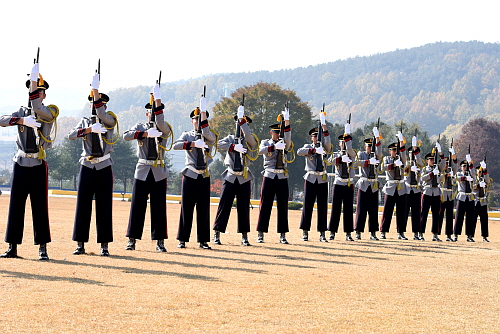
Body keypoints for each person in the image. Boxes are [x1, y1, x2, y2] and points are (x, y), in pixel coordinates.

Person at [0, 62, 57, 260]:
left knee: (40, 206)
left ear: (44, 95)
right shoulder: (22, 112)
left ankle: (42, 248)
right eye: (33, 91)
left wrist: (35, 82)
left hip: (38, 164)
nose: (35, 94)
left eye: (39, 91)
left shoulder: (48, 112)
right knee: (16, 205)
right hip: (21, 163)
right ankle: (12, 247)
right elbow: (2, 120)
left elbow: (40, 110)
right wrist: (21, 121)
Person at [69, 72, 117, 256]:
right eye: (94, 103)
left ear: (104, 106)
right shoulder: (84, 122)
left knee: (104, 206)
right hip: (87, 166)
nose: (95, 106)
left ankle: (104, 245)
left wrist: (96, 90)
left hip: (104, 166)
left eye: (99, 104)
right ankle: (80, 244)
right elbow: (71, 135)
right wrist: (89, 129)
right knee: (83, 206)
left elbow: (106, 118)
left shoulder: (109, 120)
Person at [123, 83, 171, 252]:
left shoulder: (163, 127)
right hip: (143, 169)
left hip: (158, 171)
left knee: (159, 207)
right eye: (150, 111)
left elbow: (160, 121)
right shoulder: (140, 126)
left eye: (156, 111)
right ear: (146, 113)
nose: (152, 114)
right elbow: (126, 136)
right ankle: (132, 239)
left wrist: (158, 100)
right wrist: (144, 134)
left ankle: (159, 241)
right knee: (137, 206)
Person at [173, 93, 216, 249]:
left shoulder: (209, 135)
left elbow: (210, 137)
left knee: (203, 209)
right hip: (190, 173)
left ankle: (203, 240)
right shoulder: (187, 135)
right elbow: (176, 145)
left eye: (201, 120)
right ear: (192, 121)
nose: (198, 122)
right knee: (187, 207)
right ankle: (182, 239)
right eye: (196, 120)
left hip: (204, 174)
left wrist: (204, 113)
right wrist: (192, 144)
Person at [213, 104, 258, 246]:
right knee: (224, 206)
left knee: (243, 207)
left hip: (244, 176)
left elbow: (253, 143)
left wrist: (243, 123)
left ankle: (244, 236)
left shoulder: (250, 140)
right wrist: (233, 146)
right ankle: (217, 233)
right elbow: (217, 144)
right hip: (231, 175)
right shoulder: (230, 138)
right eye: (238, 123)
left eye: (244, 124)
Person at [256, 108, 292, 244]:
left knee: (283, 206)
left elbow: (288, 139)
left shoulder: (284, 143)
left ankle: (283, 235)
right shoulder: (266, 142)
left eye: (279, 133)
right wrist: (274, 147)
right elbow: (260, 151)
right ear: (271, 133)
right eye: (275, 133)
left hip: (282, 176)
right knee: (265, 205)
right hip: (269, 175)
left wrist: (287, 120)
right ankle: (261, 233)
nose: (277, 135)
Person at [297, 111, 331, 242]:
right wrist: (314, 150)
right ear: (311, 138)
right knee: (308, 205)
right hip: (310, 178)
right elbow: (300, 152)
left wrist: (324, 126)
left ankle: (322, 233)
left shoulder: (325, 147)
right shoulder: (308, 147)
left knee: (322, 206)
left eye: (318, 136)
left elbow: (328, 142)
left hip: (322, 178)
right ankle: (305, 231)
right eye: (314, 136)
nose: (316, 138)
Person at [328, 122, 357, 241]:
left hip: (348, 183)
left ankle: (348, 233)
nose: (343, 145)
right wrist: (340, 158)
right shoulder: (336, 154)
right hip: (339, 183)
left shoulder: (352, 154)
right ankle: (332, 232)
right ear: (339, 144)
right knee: (336, 208)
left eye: (345, 143)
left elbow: (350, 150)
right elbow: (329, 161)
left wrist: (348, 136)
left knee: (348, 209)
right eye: (342, 142)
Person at [354, 127, 382, 240]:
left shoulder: (376, 155)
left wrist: (377, 138)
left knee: (373, 210)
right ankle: (358, 231)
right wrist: (367, 162)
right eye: (368, 146)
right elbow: (355, 163)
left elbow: (379, 152)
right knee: (361, 209)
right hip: (364, 184)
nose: (370, 148)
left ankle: (373, 232)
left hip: (374, 185)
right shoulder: (361, 154)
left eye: (372, 146)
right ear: (365, 147)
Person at [380, 132, 408, 240]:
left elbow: (404, 156)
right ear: (389, 151)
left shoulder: (402, 159)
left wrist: (401, 142)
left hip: (401, 187)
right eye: (393, 150)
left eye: (396, 150)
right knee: (387, 211)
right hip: (391, 187)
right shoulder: (387, 159)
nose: (395, 152)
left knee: (401, 211)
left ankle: (401, 232)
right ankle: (383, 231)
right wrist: (393, 165)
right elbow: (384, 168)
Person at [420, 144, 446, 241]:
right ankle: (421, 233)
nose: (432, 161)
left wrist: (440, 153)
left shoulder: (437, 168)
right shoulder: (424, 169)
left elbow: (443, 165)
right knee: (424, 214)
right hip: (427, 192)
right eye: (430, 160)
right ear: (427, 161)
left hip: (436, 192)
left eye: (433, 160)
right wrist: (431, 174)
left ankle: (435, 234)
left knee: (436, 215)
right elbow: (422, 178)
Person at [404, 137, 424, 240]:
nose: (412, 154)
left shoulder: (419, 164)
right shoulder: (405, 162)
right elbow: (402, 171)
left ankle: (416, 232)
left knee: (416, 213)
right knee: (404, 212)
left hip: (416, 190)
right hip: (407, 189)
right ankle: (401, 232)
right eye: (411, 153)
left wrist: (415, 148)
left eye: (414, 153)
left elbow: (421, 165)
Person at [453, 157, 476, 242]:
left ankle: (469, 235)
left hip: (470, 197)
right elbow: (457, 178)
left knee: (470, 217)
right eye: (463, 166)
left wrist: (470, 164)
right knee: (459, 217)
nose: (464, 167)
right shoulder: (459, 174)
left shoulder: (471, 174)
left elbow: (474, 174)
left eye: (466, 166)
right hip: (462, 197)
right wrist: (466, 178)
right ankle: (455, 234)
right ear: (461, 167)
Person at [440, 145, 458, 242]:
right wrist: (446, 175)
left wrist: (454, 155)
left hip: (450, 195)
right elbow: (439, 179)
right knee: (440, 215)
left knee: (449, 216)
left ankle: (449, 235)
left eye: (448, 163)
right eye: (445, 163)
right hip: (442, 194)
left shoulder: (451, 171)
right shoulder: (440, 170)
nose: (446, 165)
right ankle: (436, 234)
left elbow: (456, 165)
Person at [473, 160, 491, 242]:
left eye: (481, 172)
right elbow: (472, 186)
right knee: (473, 220)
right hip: (475, 201)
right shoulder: (474, 179)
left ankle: (484, 236)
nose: (480, 173)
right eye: (479, 171)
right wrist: (477, 185)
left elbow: (488, 181)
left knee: (484, 220)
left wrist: (485, 169)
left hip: (483, 202)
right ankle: (470, 235)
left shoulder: (484, 179)